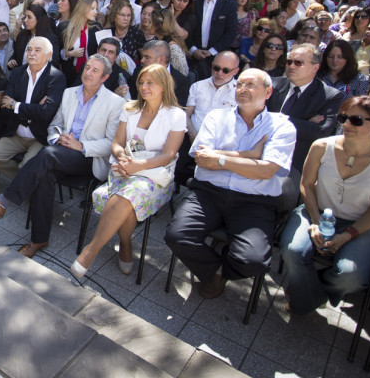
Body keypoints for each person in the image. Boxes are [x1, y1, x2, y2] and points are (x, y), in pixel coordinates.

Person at [164, 69, 297, 298]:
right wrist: (251, 155)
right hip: (209, 193)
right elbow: (201, 158)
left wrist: (222, 158)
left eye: (250, 85)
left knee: (253, 261)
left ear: (268, 92)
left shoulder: (281, 126)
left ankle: (225, 271)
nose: (242, 89)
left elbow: (267, 171)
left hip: (253, 200)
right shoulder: (218, 117)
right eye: (239, 85)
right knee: (176, 236)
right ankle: (215, 271)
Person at [0, 55, 123, 257]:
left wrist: (80, 145)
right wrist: (57, 138)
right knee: (45, 174)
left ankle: (3, 202)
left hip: (89, 159)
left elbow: (111, 143)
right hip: (60, 152)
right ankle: (39, 239)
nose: (88, 72)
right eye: (87, 67)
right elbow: (55, 125)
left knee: (47, 155)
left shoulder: (115, 103)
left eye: (95, 70)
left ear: (104, 77)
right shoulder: (70, 93)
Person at [280, 96, 370, 315]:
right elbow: (307, 185)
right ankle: (308, 298)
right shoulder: (321, 146)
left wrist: (348, 235)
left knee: (351, 277)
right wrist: (316, 222)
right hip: (315, 211)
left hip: (361, 223)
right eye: (343, 118)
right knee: (293, 251)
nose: (346, 124)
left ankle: (309, 291)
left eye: (356, 120)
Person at [70, 64, 186, 277]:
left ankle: (91, 250)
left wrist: (137, 166)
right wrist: (121, 157)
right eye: (141, 82)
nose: (144, 87)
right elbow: (117, 143)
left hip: (155, 176)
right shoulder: (130, 108)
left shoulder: (176, 114)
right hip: (124, 170)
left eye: (150, 82)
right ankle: (125, 244)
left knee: (128, 196)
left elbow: (168, 154)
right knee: (127, 200)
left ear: (164, 85)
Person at [0, 36, 66, 183]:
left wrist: (16, 105)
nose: (31, 53)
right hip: (16, 133)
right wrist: (35, 106)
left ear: (48, 55)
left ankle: (25, 183)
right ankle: (26, 184)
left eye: (37, 50)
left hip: (39, 136)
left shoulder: (56, 77)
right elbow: (5, 107)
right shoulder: (18, 73)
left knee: (26, 166)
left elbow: (46, 112)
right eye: (29, 49)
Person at [266, 44, 344, 172]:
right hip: (261, 152)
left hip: (295, 162)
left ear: (315, 67)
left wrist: (274, 118)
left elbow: (321, 132)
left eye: (298, 63)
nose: (291, 66)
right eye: (289, 62)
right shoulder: (272, 84)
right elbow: (255, 116)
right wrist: (304, 123)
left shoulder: (330, 96)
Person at [189, 0, 238, 80]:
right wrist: (193, 49)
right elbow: (188, 30)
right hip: (195, 56)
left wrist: (211, 52)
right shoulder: (195, 4)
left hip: (217, 57)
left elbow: (231, 32)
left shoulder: (229, 5)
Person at [8, 3, 61, 70]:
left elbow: (54, 61)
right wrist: (12, 60)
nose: (25, 20)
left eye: (29, 17)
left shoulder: (50, 39)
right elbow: (16, 55)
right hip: (22, 77)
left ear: (39, 19)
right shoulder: (22, 35)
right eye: (25, 17)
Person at [58, 0, 98, 83]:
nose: (95, 12)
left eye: (96, 9)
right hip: (70, 73)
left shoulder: (96, 28)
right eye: (92, 9)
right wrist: (68, 53)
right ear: (83, 9)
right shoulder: (65, 27)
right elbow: (57, 51)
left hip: (90, 73)